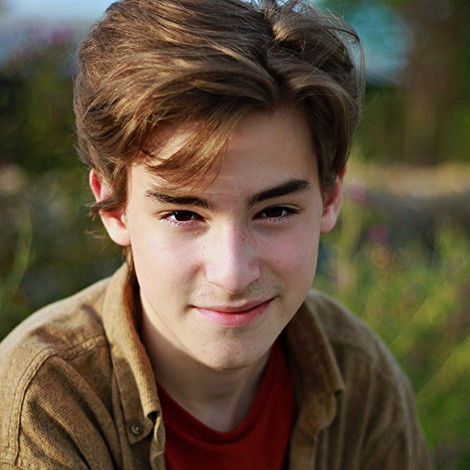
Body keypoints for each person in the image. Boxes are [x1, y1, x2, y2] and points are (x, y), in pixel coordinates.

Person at [0, 1, 431, 468]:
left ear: (329, 199)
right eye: (183, 215)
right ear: (116, 208)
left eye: (275, 211)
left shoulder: (360, 373)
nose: (232, 275)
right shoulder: (40, 403)